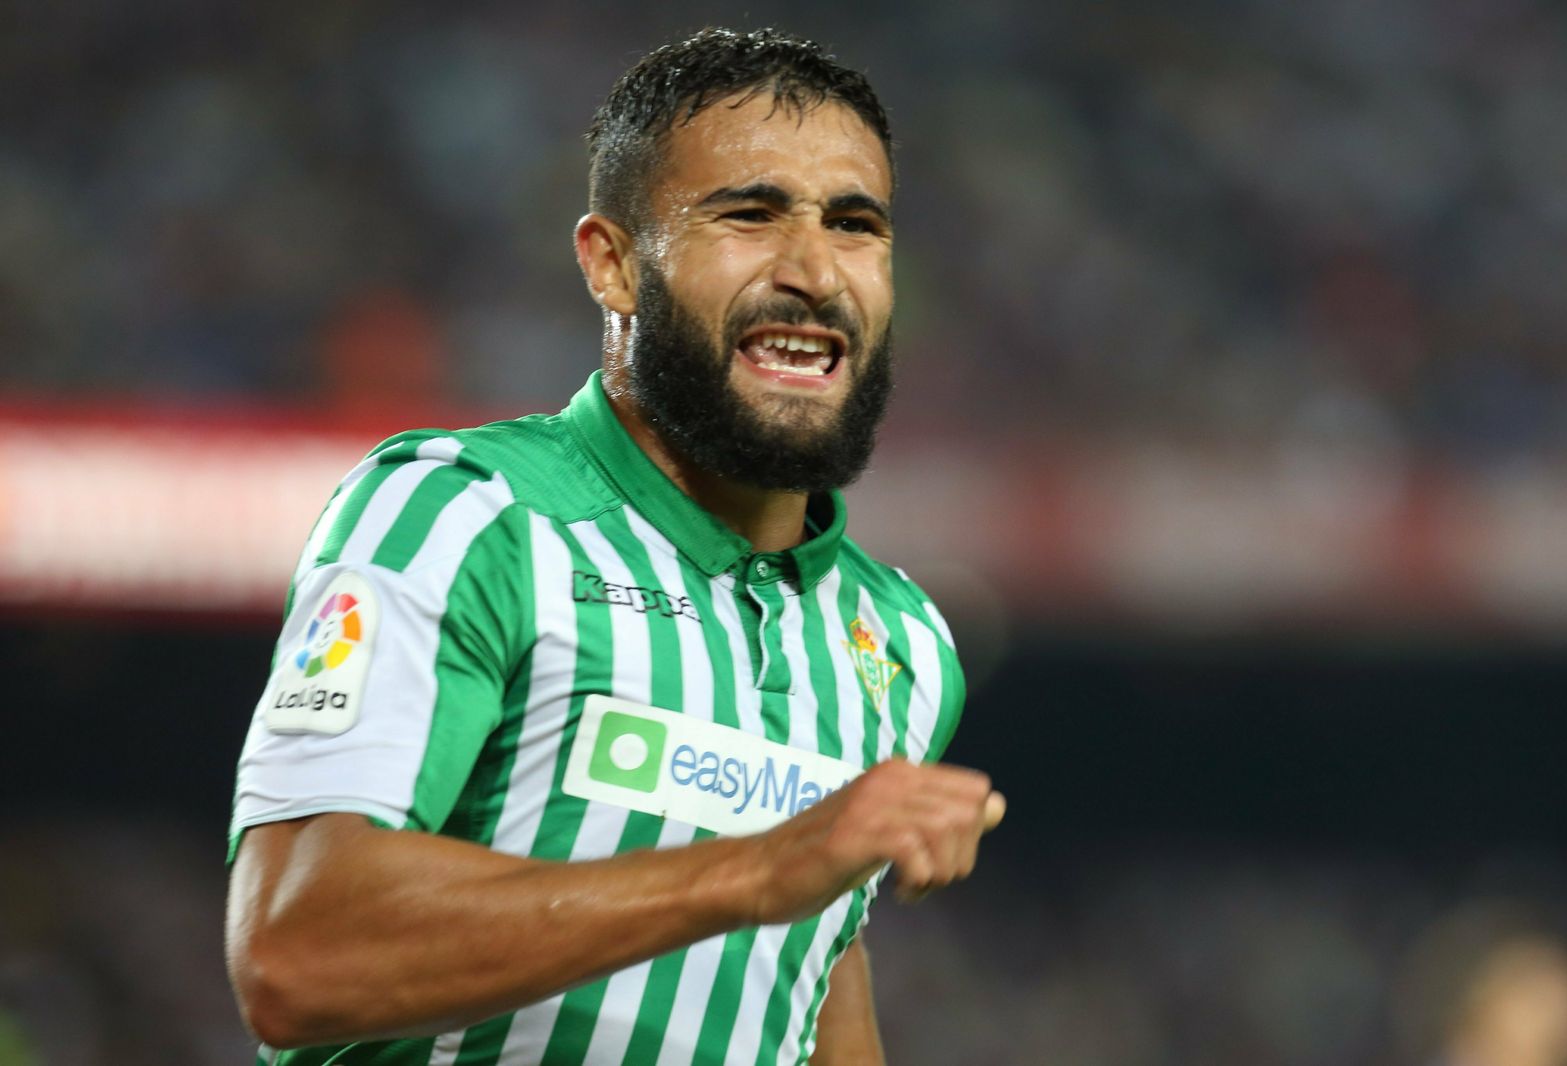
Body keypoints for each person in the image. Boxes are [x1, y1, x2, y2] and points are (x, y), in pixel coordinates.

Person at [226, 27, 1004, 1066]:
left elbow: (810, 972)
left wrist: (795, 876)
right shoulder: (466, 518)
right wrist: (756, 868)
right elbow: (297, 953)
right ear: (614, 263)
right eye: (749, 214)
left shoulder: (898, 641)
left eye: (855, 225)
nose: (816, 271)